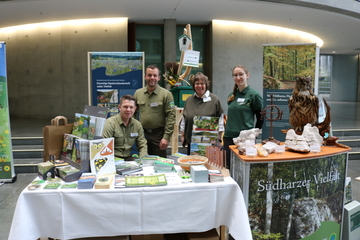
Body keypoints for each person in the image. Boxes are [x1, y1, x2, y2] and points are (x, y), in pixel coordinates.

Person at [223, 65, 264, 168]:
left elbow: (261, 116)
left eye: (241, 74)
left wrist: (255, 133)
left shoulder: (254, 95)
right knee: (230, 167)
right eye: (235, 75)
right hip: (229, 137)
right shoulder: (231, 95)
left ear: (247, 75)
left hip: (246, 139)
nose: (238, 77)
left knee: (243, 168)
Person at [134, 65, 176, 158]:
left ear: (159, 78)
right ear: (145, 76)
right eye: (149, 75)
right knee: (143, 162)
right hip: (142, 134)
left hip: (159, 135)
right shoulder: (138, 93)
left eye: (154, 75)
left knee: (159, 164)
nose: (152, 78)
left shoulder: (166, 94)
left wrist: (166, 137)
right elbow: (133, 114)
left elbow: (171, 116)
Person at [180, 72, 224, 155]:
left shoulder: (215, 100)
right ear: (193, 85)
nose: (199, 86)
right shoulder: (189, 100)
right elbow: (184, 119)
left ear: (206, 85)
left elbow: (220, 122)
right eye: (197, 83)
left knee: (209, 166)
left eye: (202, 83)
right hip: (192, 143)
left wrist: (219, 139)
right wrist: (182, 136)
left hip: (210, 144)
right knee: (193, 165)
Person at [102, 95, 148, 160]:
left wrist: (143, 159)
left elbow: (142, 144)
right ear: (119, 107)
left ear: (135, 109)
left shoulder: (137, 124)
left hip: (129, 157)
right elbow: (104, 145)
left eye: (131, 107)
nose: (128, 110)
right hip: (113, 157)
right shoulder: (110, 123)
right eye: (125, 107)